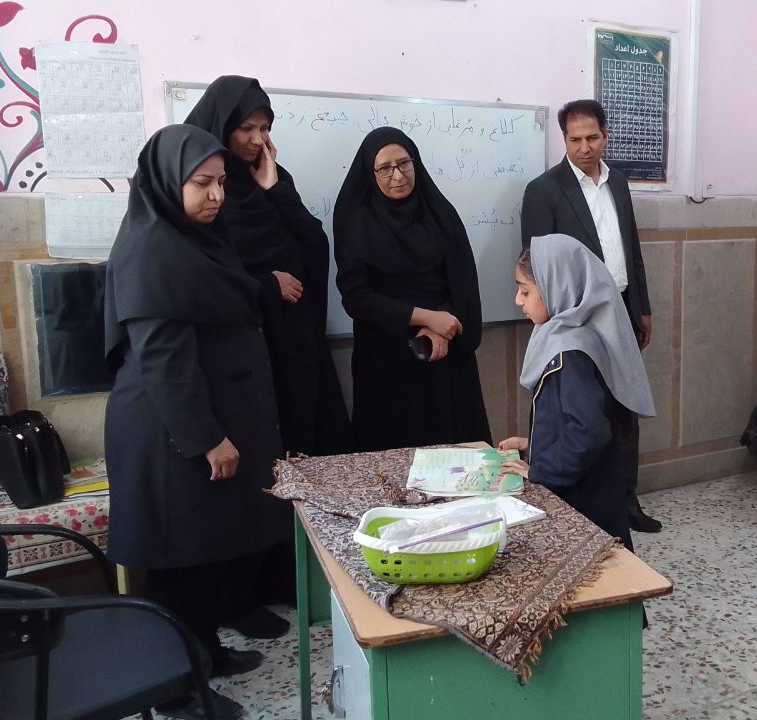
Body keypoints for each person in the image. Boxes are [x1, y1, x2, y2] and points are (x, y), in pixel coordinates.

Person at [103, 124, 290, 720]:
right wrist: (206, 438)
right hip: (171, 433)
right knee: (179, 563)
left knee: (206, 552)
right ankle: (176, 693)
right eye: (201, 183)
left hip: (192, 422)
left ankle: (205, 652)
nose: (216, 195)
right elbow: (163, 359)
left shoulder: (194, 239)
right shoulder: (152, 249)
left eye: (221, 183)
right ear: (166, 183)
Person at [184, 74, 351, 639]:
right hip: (244, 356)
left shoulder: (270, 180)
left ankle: (287, 573)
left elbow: (315, 245)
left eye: (265, 128)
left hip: (294, 347)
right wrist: (265, 283)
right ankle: (240, 593)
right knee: (255, 468)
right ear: (221, 128)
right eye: (247, 129)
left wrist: (275, 187)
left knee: (299, 455)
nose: (258, 140)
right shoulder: (204, 191)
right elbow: (210, 273)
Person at [520, 99, 662, 533]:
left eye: (593, 138)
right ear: (563, 139)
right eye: (575, 139)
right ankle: (580, 499)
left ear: (606, 136)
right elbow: (537, 264)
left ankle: (626, 500)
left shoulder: (617, 181)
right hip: (577, 315)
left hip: (618, 306)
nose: (585, 147)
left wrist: (642, 306)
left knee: (623, 407)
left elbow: (630, 247)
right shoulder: (545, 190)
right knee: (584, 409)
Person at [333, 127, 491, 451]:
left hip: (444, 357)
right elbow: (357, 298)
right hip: (386, 361)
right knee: (392, 459)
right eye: (385, 168)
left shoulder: (439, 213)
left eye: (404, 163)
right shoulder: (355, 221)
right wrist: (428, 318)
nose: (398, 175)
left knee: (454, 458)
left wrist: (441, 327)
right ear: (370, 173)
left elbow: (463, 281)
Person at [498, 234, 656, 552]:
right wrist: (536, 443)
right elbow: (575, 420)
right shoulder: (571, 335)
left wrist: (542, 470)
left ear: (557, 286)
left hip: (585, 502)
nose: (518, 301)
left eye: (525, 291)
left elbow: (590, 431)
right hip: (593, 487)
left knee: (598, 572)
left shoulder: (569, 351)